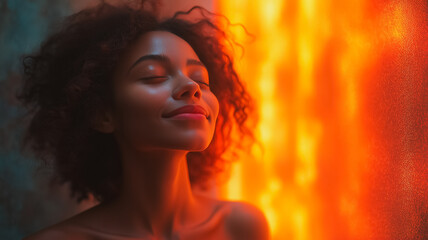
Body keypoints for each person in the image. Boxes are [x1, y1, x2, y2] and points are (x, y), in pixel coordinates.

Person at [19, 1, 269, 239]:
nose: (192, 87)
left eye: (201, 79)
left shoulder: (242, 226)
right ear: (102, 114)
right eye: (153, 76)